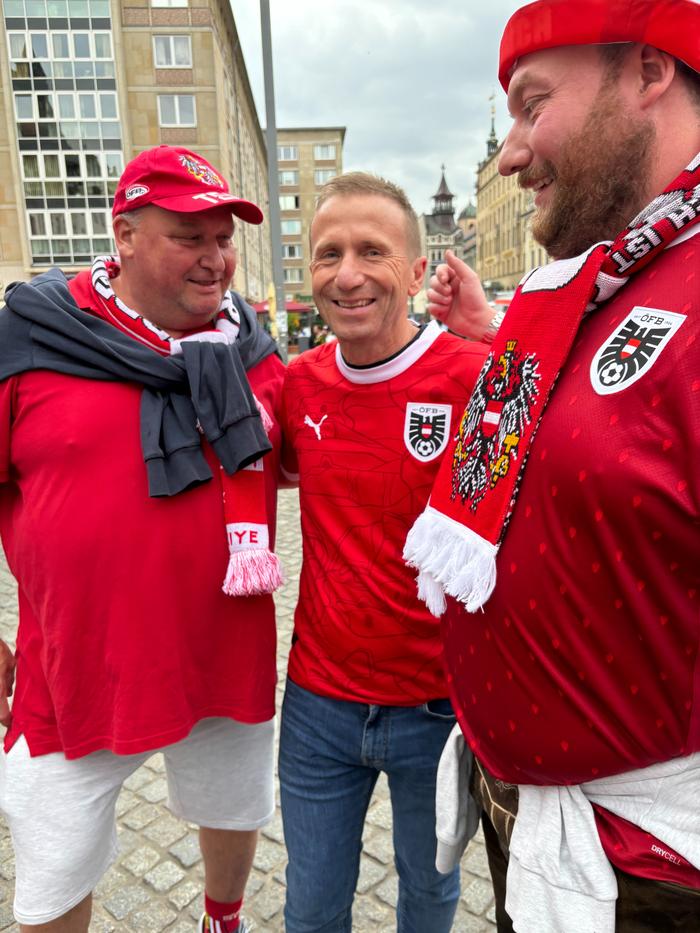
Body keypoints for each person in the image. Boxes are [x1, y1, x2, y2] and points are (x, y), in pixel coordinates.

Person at [405, 1, 700, 931]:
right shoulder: (606, 275)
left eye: (534, 106)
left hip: (650, 870)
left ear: (649, 72)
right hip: (539, 820)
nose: (511, 153)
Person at [0, 145, 286, 933]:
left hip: (224, 653)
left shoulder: (253, 352)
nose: (216, 257)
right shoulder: (30, 341)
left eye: (223, 236)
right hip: (75, 668)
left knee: (234, 804)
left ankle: (222, 919)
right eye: (188, 235)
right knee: (53, 866)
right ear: (123, 234)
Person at [278, 172, 488, 933]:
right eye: (327, 253)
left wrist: (493, 330)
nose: (348, 273)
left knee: (428, 897)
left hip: (436, 705)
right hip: (317, 705)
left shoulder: (473, 376)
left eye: (372, 250)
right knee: (311, 906)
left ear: (414, 267)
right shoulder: (295, 385)